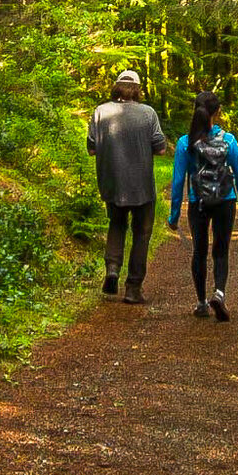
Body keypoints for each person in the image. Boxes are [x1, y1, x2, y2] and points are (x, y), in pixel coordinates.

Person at [168, 91, 238, 323]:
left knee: (199, 251)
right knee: (221, 250)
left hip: (199, 203)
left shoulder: (185, 143)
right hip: (225, 200)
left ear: (195, 109)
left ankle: (202, 302)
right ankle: (219, 293)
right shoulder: (229, 140)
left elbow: (178, 182)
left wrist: (174, 215)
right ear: (218, 112)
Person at [88, 68, 167, 303]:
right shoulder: (148, 113)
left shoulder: (100, 111)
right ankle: (133, 288)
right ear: (137, 89)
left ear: (116, 87)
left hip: (112, 183)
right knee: (142, 233)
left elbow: (92, 149)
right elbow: (161, 149)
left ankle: (112, 269)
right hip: (142, 186)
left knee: (117, 224)